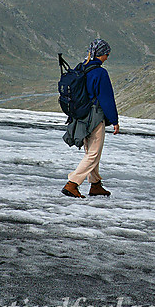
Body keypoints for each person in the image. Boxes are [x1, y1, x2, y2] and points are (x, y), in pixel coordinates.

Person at [62, 39, 120, 198]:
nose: (107, 57)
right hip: (94, 117)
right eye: (107, 53)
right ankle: (72, 183)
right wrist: (114, 121)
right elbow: (106, 99)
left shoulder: (81, 68)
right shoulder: (100, 73)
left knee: (91, 151)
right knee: (93, 153)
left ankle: (95, 185)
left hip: (80, 116)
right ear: (102, 53)